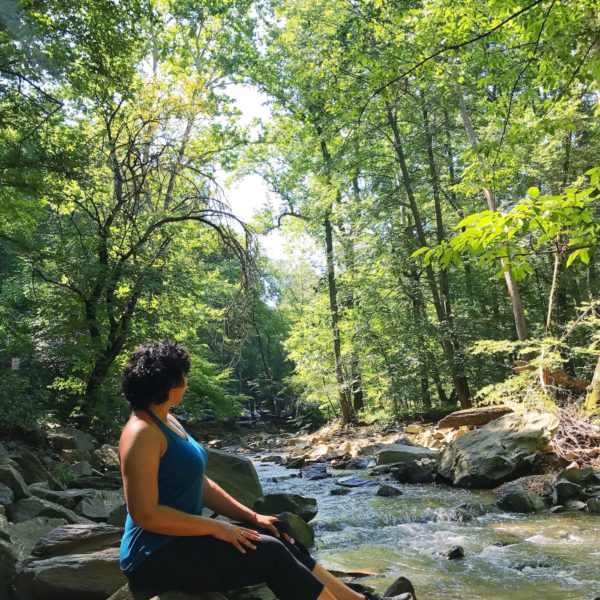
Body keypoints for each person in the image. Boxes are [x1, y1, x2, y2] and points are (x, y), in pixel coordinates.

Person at [119, 340, 411, 600]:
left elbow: (201, 484)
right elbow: (146, 514)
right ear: (170, 383)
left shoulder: (168, 420)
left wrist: (252, 517)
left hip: (181, 540)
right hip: (153, 556)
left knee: (278, 532)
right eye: (183, 376)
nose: (186, 382)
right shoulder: (142, 433)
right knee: (270, 553)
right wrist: (217, 526)